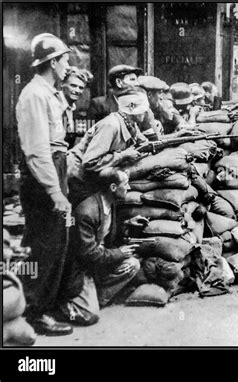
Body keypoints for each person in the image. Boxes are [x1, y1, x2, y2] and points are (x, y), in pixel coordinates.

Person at [15, 33, 74, 336]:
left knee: (55, 241)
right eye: (64, 61)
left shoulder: (49, 92)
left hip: (54, 168)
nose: (68, 66)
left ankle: (40, 305)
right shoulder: (34, 95)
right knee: (42, 244)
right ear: (52, 62)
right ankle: (32, 312)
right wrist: (54, 191)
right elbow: (37, 150)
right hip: (43, 176)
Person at [56, 168, 142, 326]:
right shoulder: (87, 212)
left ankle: (96, 298)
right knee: (89, 316)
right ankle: (62, 306)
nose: (129, 188)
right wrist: (119, 253)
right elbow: (88, 254)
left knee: (133, 265)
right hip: (81, 269)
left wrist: (128, 224)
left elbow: (105, 233)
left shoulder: (111, 204)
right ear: (113, 188)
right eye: (126, 184)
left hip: (98, 263)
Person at [68, 87, 150, 209]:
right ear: (132, 110)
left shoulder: (131, 125)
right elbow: (89, 162)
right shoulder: (111, 125)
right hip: (77, 176)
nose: (146, 113)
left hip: (92, 176)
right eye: (143, 110)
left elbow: (144, 143)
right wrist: (123, 156)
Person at [61, 66, 93, 148]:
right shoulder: (55, 106)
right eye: (73, 85)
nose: (77, 91)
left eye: (81, 88)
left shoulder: (74, 110)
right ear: (62, 84)